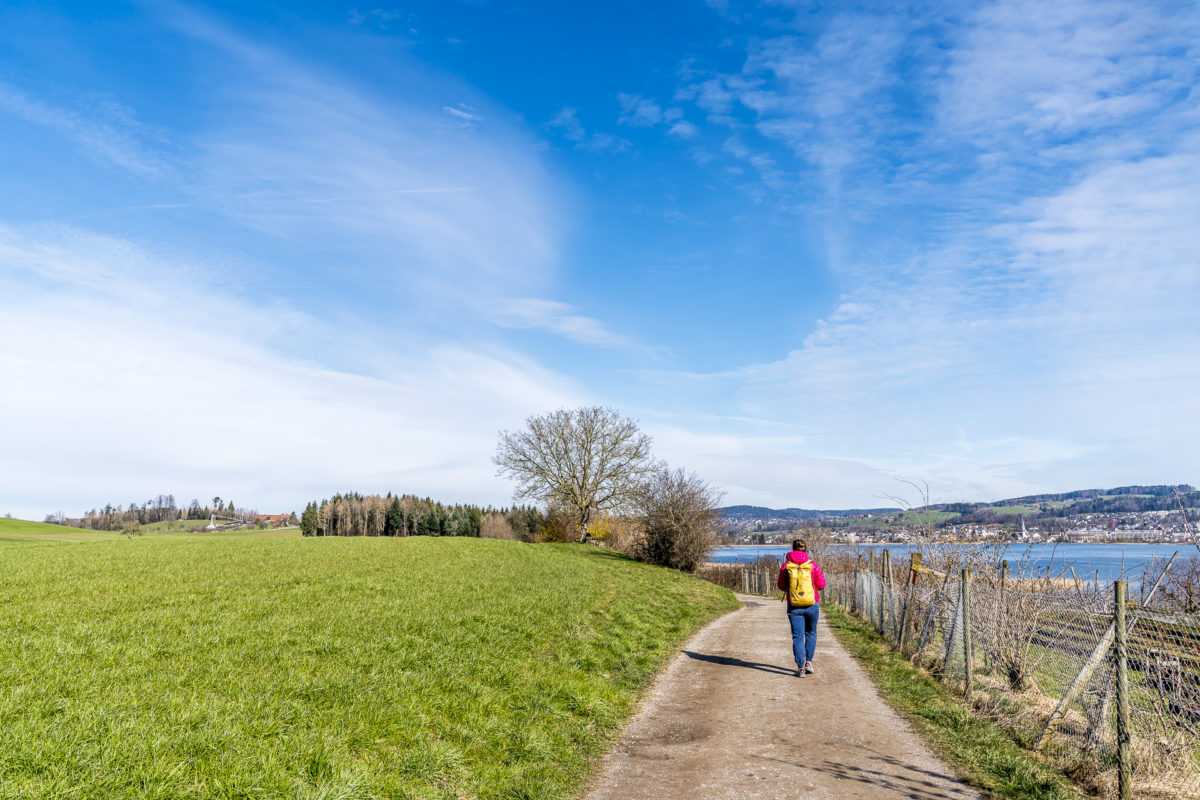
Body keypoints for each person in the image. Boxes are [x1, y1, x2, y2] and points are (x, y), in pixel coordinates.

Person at [777, 538, 826, 677]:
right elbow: (822, 584)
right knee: (811, 633)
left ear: (792, 549)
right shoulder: (812, 565)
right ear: (806, 549)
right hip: (812, 604)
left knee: (797, 637)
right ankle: (809, 663)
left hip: (794, 606)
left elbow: (780, 585)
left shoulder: (786, 566)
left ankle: (801, 668)